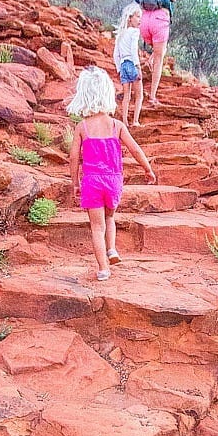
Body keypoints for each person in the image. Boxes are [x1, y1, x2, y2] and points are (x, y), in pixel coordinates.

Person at [67, 67, 156, 281]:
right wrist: (148, 168)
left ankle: (103, 268)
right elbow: (135, 149)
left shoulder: (82, 127)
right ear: (107, 94)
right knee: (110, 216)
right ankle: (112, 249)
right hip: (114, 181)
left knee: (97, 226)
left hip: (92, 181)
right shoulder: (116, 125)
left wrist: (75, 182)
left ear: (84, 95)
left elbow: (73, 158)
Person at [136, 0, 180, 106]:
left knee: (157, 50)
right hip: (160, 18)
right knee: (159, 58)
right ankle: (152, 96)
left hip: (144, 19)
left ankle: (135, 86)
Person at [113, 2, 143, 128]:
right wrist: (138, 66)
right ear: (130, 18)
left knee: (127, 95)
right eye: (137, 17)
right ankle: (135, 121)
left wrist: (119, 69)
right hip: (131, 64)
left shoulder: (121, 34)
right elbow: (133, 50)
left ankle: (124, 122)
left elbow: (116, 54)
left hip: (123, 65)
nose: (139, 20)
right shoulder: (134, 32)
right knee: (139, 95)